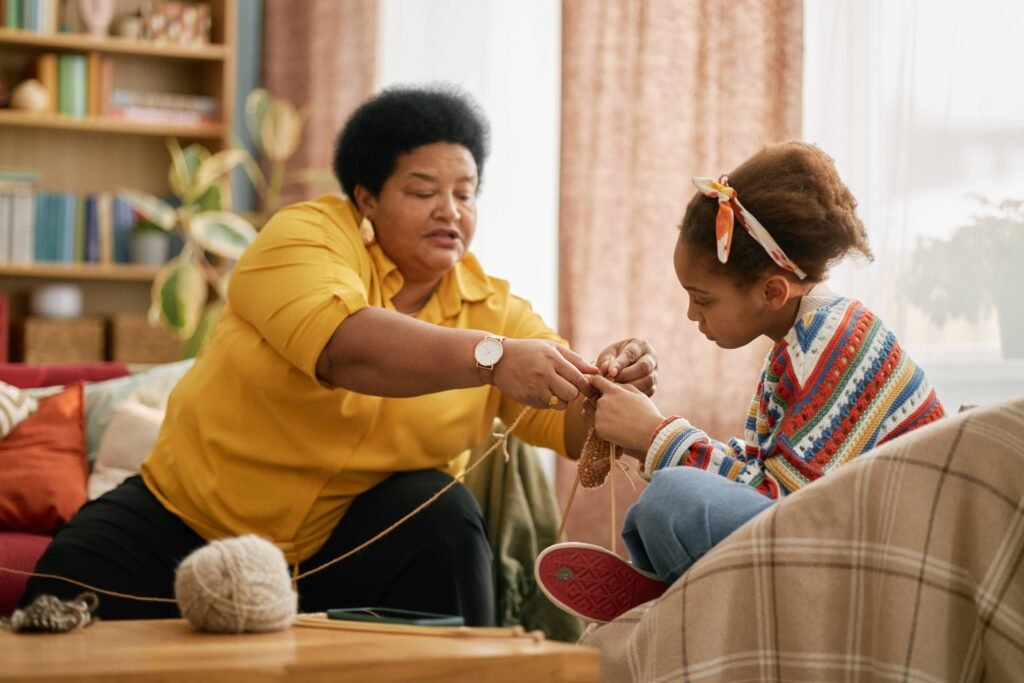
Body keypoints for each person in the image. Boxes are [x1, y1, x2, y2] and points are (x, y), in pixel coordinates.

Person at [22, 85, 658, 627]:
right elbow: (344, 350)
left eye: (466, 193)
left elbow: (570, 425)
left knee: (438, 506)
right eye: (422, 190)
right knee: (53, 602)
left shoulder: (498, 311)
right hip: (186, 520)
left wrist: (608, 387)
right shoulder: (303, 237)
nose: (451, 211)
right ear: (367, 199)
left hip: (351, 549)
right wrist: (494, 359)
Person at [536, 141, 946, 624]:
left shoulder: (836, 345)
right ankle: (668, 589)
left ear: (772, 291)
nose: (691, 314)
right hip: (831, 533)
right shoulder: (803, 343)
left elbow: (786, 507)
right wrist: (640, 437)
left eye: (703, 299)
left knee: (672, 499)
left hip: (877, 564)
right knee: (662, 507)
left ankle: (667, 593)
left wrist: (655, 435)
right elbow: (761, 474)